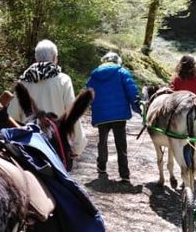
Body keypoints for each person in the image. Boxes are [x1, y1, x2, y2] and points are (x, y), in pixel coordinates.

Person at [8, 39, 87, 158]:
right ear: (55, 57)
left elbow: (12, 114)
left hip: (29, 141)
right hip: (56, 141)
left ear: (36, 57)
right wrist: (78, 146)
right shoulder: (63, 80)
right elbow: (72, 114)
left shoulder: (23, 82)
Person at [86, 51, 140, 182]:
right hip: (119, 115)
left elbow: (89, 93)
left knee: (102, 141)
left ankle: (102, 166)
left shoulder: (94, 76)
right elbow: (132, 92)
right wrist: (138, 108)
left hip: (101, 115)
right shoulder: (122, 72)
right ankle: (124, 174)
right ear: (117, 61)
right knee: (121, 143)